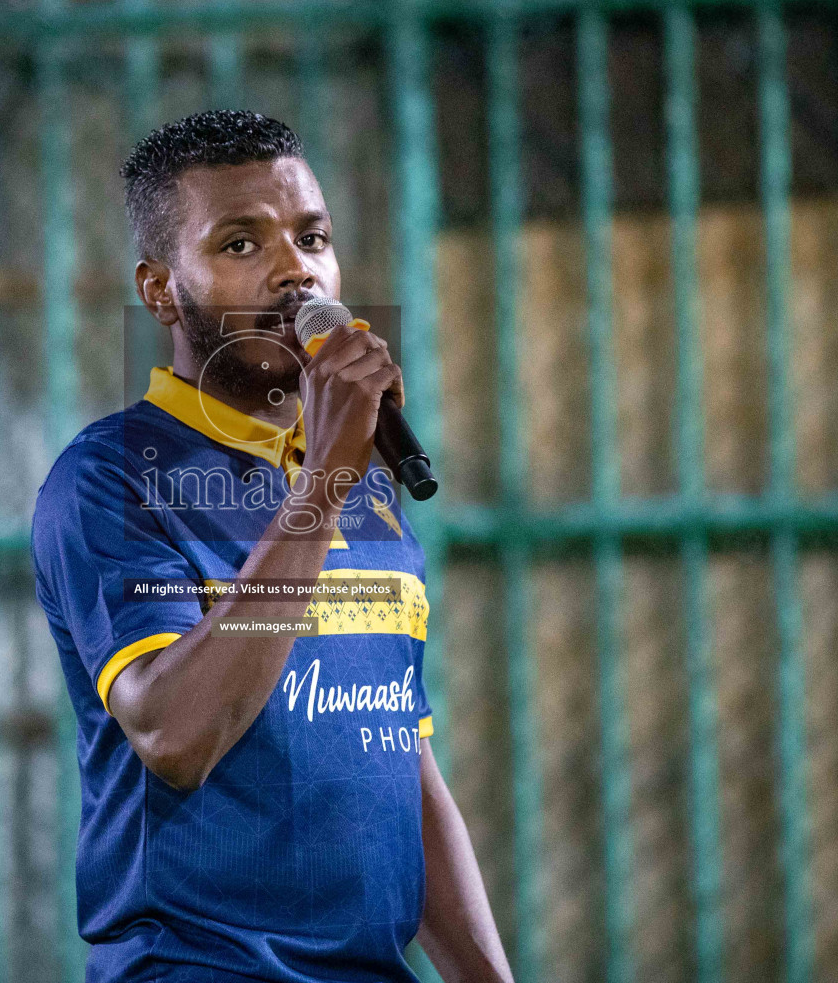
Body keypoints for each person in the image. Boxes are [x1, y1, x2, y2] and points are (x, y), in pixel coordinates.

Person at [32, 109, 512, 983]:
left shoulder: (363, 484)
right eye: (241, 245)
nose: (295, 268)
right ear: (160, 291)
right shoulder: (111, 479)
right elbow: (175, 733)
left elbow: (402, 765)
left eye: (312, 236)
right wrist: (325, 477)